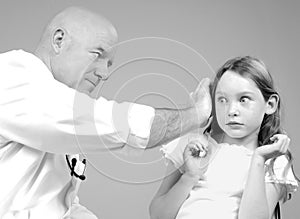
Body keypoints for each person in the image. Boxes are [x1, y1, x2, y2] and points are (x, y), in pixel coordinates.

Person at [0, 6, 211, 219]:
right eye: (98, 54)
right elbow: (117, 123)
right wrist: (196, 114)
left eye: (109, 64)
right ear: (59, 40)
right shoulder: (11, 76)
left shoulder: (58, 114)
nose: (104, 73)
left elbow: (61, 205)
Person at [149, 56, 299, 219]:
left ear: (270, 104)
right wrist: (190, 176)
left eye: (244, 99)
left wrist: (259, 159)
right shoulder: (192, 146)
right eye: (222, 100)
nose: (231, 110)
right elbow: (158, 215)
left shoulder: (273, 162)